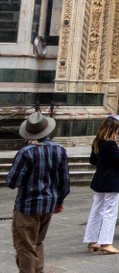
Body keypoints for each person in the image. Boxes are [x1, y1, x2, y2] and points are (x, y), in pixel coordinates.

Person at [5, 112, 70, 273]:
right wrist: (59, 202)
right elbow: (65, 181)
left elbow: (12, 182)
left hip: (27, 206)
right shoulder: (59, 150)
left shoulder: (26, 152)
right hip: (48, 205)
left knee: (25, 246)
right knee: (38, 242)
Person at [83, 116, 119, 255]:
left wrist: (104, 165)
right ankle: (106, 243)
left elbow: (92, 160)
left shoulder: (98, 142)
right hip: (111, 180)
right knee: (110, 212)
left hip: (99, 179)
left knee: (96, 210)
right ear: (113, 129)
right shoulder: (110, 143)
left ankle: (92, 240)